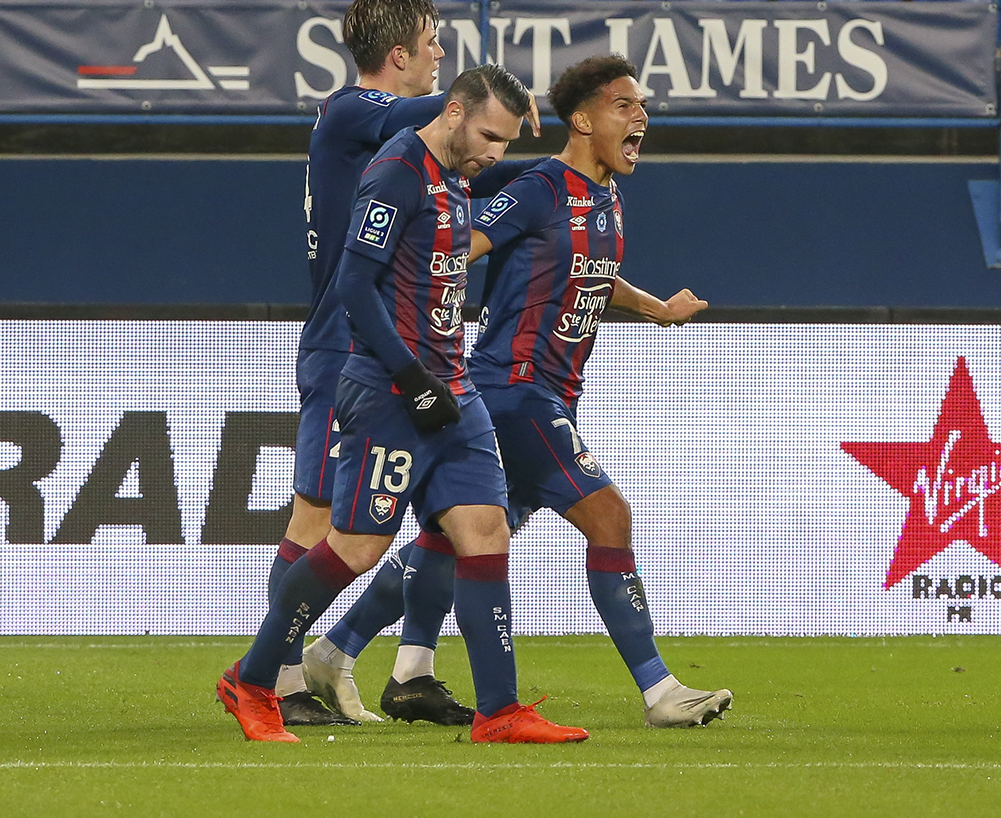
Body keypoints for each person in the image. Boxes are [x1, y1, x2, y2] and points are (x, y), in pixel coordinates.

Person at [304, 55, 732, 730]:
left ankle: (337, 645)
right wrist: (416, 325)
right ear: (584, 119)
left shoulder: (607, 196)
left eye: (640, 104)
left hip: (550, 394)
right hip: (512, 392)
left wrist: (655, 308)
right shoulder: (539, 188)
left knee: (451, 544)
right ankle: (660, 690)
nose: (640, 115)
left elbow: (593, 273)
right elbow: (455, 241)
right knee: (609, 518)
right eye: (624, 104)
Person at [218, 64, 588, 745]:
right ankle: (254, 678)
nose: (494, 154)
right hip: (392, 390)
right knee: (356, 544)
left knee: (485, 529)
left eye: (505, 144)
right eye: (487, 136)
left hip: (454, 388)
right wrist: (409, 375)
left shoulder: (455, 173)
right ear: (452, 112)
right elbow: (355, 286)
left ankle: (499, 711)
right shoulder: (395, 173)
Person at [275, 0, 540, 726]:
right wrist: (494, 100)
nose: (440, 52)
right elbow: (444, 113)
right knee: (317, 520)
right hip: (347, 341)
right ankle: (279, 675)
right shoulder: (353, 110)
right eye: (432, 40)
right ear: (399, 55)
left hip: (400, 347)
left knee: (449, 521)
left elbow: (477, 162)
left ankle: (414, 670)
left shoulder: (412, 150)